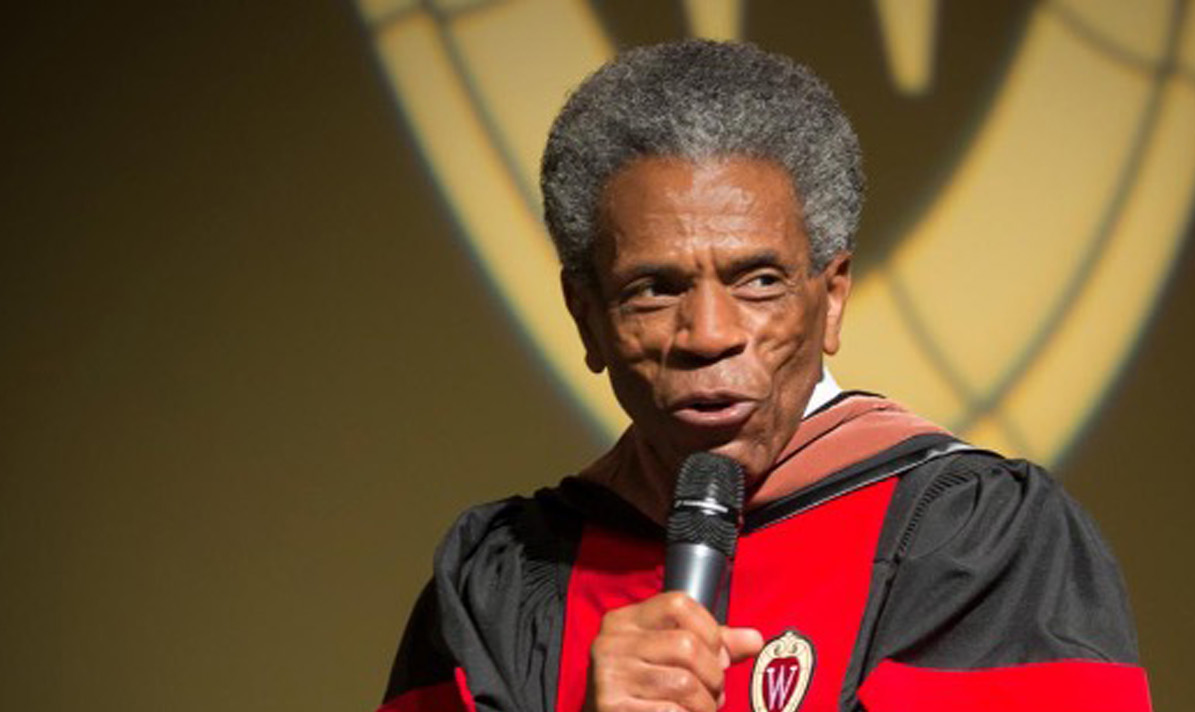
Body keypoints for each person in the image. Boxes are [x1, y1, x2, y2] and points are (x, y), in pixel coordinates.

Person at [378, 40, 1151, 712]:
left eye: (758, 282)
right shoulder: (501, 582)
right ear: (586, 318)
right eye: (655, 288)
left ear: (833, 297)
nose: (709, 335)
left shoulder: (982, 541)